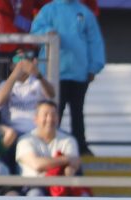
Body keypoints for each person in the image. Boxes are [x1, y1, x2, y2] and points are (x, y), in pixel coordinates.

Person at [31, 0, 106, 156]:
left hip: (79, 72)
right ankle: (51, 146)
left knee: (77, 111)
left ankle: (81, 147)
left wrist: (94, 66)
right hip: (53, 73)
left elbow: (94, 41)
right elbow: (35, 30)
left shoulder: (84, 12)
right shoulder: (49, 10)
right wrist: (48, 32)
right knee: (53, 111)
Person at [15, 99, 81, 200]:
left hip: (62, 188)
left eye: (53, 115)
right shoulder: (25, 140)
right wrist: (65, 160)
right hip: (34, 187)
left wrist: (61, 164)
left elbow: (72, 168)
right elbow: (37, 164)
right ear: (36, 119)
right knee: (34, 198)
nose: (49, 119)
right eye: (45, 115)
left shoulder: (68, 140)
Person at [0, 45, 55, 137]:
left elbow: (51, 95)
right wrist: (16, 73)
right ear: (11, 66)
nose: (22, 62)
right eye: (17, 59)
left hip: (36, 131)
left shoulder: (38, 82)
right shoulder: (5, 84)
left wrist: (38, 74)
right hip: (13, 131)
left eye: (25, 58)